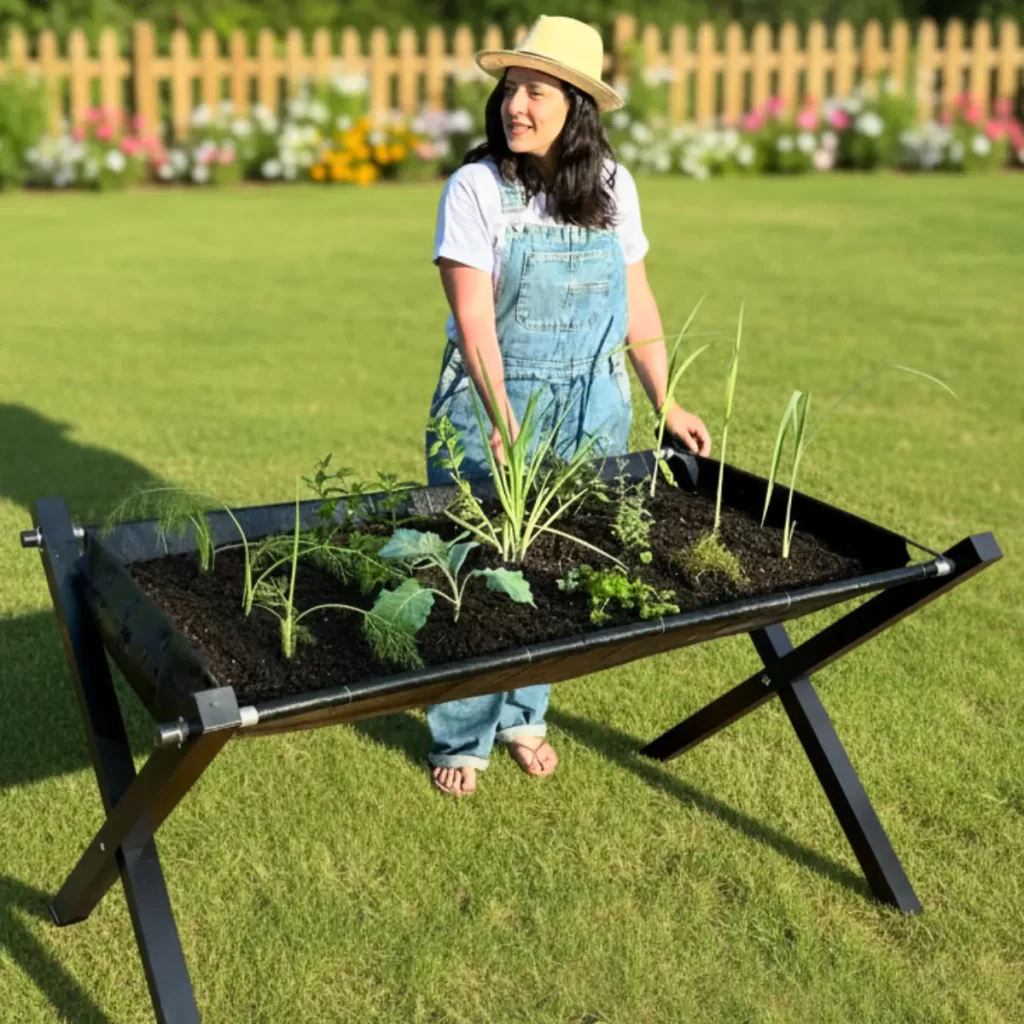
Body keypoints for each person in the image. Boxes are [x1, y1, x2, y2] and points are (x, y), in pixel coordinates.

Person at [423, 15, 711, 797]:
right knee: (482, 567)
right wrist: (499, 415)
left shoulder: (614, 186)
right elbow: (475, 317)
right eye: (510, 88)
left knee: (556, 566)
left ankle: (523, 711)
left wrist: (666, 399)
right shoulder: (477, 188)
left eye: (535, 91)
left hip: (594, 406)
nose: (515, 105)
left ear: (576, 105)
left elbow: (636, 299)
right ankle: (461, 732)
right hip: (495, 404)